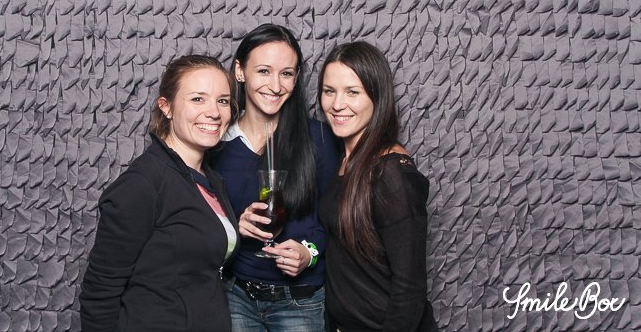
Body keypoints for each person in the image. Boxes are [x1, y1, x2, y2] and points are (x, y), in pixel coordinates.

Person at [80, 55, 240, 332]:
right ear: (166, 107)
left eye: (223, 101)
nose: (214, 112)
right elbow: (100, 290)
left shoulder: (210, 178)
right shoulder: (143, 183)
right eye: (198, 99)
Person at [210, 24, 340, 332]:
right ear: (240, 71)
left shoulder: (320, 139)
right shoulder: (215, 143)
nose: (275, 85)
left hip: (301, 300)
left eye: (286, 73)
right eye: (264, 71)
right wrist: (234, 227)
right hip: (236, 296)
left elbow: (335, 219)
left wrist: (308, 253)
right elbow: (197, 225)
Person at [318, 42, 438, 332]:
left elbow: (409, 287)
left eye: (352, 92)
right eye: (329, 91)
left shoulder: (390, 172)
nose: (337, 104)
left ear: (377, 96)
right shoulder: (345, 161)